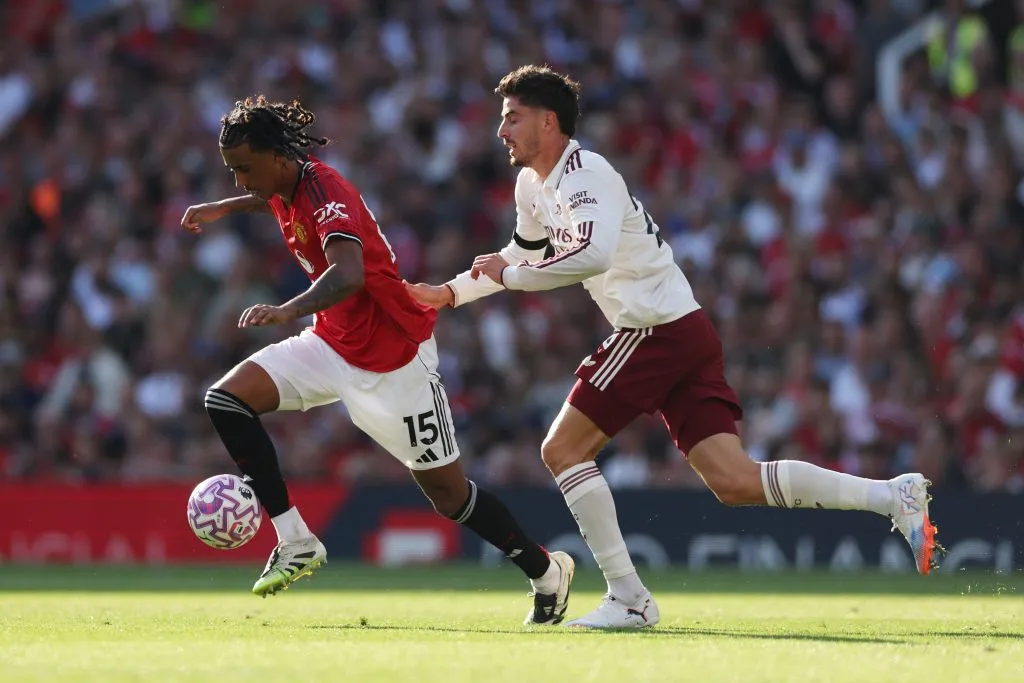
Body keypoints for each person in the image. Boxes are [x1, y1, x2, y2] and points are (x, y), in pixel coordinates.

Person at [406, 65, 942, 629]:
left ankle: (630, 597)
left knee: (562, 450)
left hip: (653, 329)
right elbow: (516, 253)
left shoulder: (588, 174)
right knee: (734, 481)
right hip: (682, 327)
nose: (502, 130)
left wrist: (511, 278)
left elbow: (590, 256)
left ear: (549, 121)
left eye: (512, 117)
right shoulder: (532, 187)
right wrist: (448, 293)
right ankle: (891, 496)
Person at [180, 96, 574, 625]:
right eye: (231, 172)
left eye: (244, 169)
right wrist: (221, 208)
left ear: (277, 156)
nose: (239, 181)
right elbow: (265, 199)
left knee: (450, 497)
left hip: (397, 360)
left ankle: (547, 572)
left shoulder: (326, 194)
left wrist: (286, 310)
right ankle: (295, 539)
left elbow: (349, 275)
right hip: (332, 344)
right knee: (226, 400)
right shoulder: (282, 184)